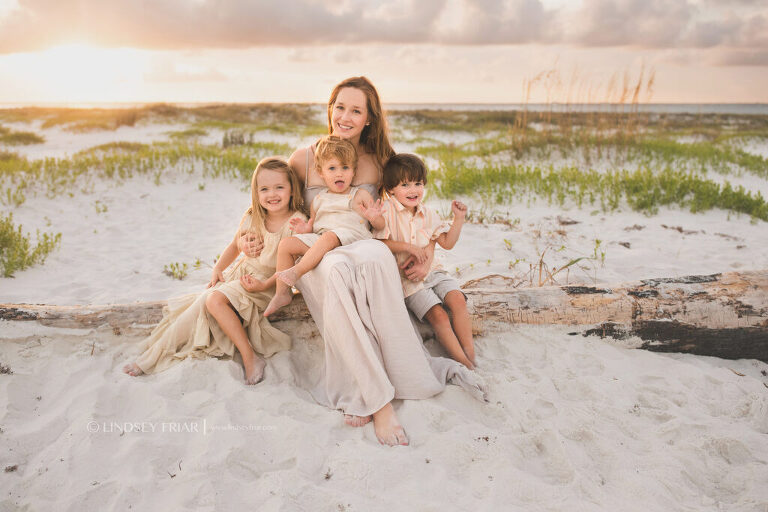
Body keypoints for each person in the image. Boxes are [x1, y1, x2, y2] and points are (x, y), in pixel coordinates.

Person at [239, 76, 486, 446]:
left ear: (369, 118)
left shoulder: (379, 161)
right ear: (330, 109)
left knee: (373, 257)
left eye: (356, 110)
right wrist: (248, 240)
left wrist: (426, 254)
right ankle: (377, 400)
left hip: (362, 243)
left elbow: (410, 211)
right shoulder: (304, 159)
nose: (346, 116)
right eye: (340, 107)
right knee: (337, 268)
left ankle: (402, 371)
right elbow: (269, 206)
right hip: (317, 252)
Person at [123, 157, 306, 384]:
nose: (272, 194)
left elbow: (292, 267)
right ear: (256, 192)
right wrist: (219, 268)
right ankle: (154, 354)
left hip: (265, 285)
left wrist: (265, 285)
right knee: (200, 304)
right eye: (265, 189)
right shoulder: (253, 216)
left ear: (291, 188)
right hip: (239, 276)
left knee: (213, 301)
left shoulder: (296, 222)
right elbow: (233, 245)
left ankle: (250, 358)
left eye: (279, 187)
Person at [262, 135, 384, 317]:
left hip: (352, 239)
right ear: (321, 172)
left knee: (329, 237)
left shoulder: (359, 194)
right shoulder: (319, 200)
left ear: (353, 171)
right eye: (332, 168)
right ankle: (282, 293)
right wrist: (305, 231)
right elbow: (315, 226)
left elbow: (381, 225)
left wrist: (374, 218)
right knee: (286, 245)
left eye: (345, 168)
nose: (339, 173)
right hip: (324, 239)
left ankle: (297, 271)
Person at [374, 153, 475, 369]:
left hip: (434, 271)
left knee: (457, 299)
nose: (413, 190)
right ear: (391, 189)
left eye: (418, 183)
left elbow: (446, 242)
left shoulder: (428, 213)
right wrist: (408, 248)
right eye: (405, 184)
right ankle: (463, 361)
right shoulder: (387, 210)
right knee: (438, 315)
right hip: (408, 280)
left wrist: (458, 219)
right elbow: (379, 242)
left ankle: (470, 353)